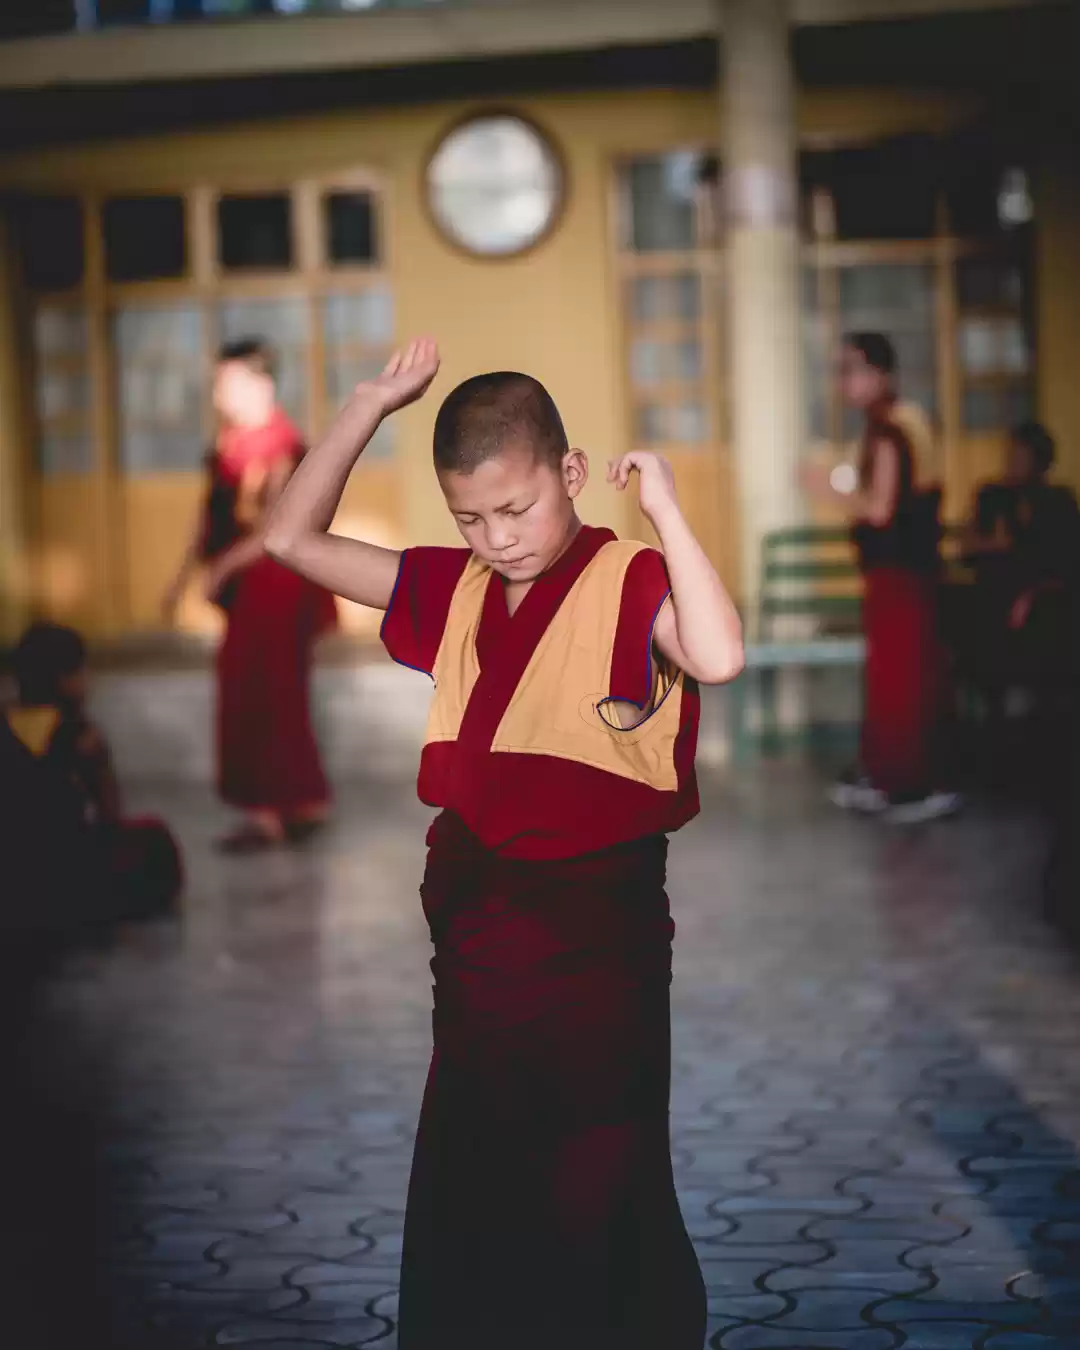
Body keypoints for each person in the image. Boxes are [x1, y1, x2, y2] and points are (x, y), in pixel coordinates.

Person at [263, 338, 744, 1350]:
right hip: (481, 935)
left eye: (516, 510)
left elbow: (720, 653)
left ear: (570, 475)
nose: (499, 539)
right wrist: (369, 405)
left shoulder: (628, 576)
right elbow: (291, 540)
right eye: (470, 518)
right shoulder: (454, 588)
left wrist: (664, 510)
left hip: (597, 943)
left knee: (597, 1166)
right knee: (477, 1161)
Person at [162, 339, 338, 851]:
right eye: (218, 383)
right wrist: (180, 577)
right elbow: (208, 513)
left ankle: (274, 812)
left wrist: (222, 568)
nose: (220, 394)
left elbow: (278, 527)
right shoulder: (229, 443)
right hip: (246, 583)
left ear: (262, 384)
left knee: (269, 693)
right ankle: (299, 804)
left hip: (276, 580)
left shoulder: (283, 443)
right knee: (253, 691)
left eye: (229, 382)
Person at [800, 332, 960, 823]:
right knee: (893, 676)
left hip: (902, 574)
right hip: (898, 574)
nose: (843, 381)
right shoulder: (887, 425)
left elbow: (881, 509)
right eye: (839, 370)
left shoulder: (893, 428)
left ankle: (911, 785)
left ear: (881, 374)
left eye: (851, 369)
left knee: (902, 680)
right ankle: (888, 775)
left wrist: (823, 488)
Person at [1, 622, 182, 940]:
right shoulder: (81, 736)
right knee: (154, 841)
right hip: (58, 874)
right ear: (65, 680)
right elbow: (110, 816)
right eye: (83, 672)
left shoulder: (7, 722)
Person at [962, 420, 1080, 785]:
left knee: (1051, 626)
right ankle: (993, 747)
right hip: (993, 602)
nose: (1012, 462)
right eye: (1009, 454)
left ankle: (1046, 750)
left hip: (1044, 604)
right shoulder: (991, 496)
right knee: (973, 625)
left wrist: (1030, 596)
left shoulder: (1058, 502)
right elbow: (967, 547)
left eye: (1021, 455)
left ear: (1041, 461)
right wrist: (996, 546)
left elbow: (1067, 563)